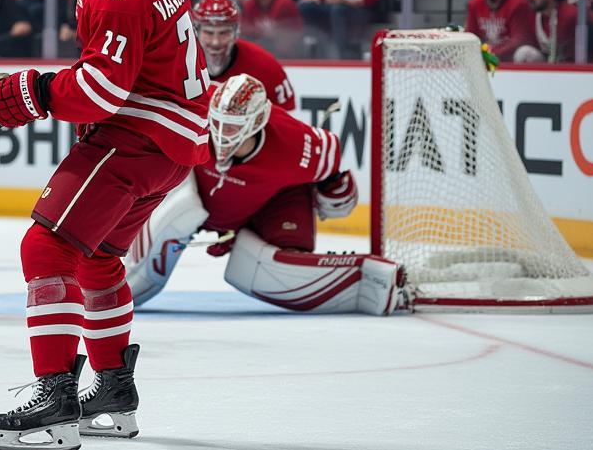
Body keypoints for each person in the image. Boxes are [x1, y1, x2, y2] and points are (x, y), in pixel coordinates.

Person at [0, 0, 210, 450]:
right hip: (173, 146)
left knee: (45, 250)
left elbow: (102, 90)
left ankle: (54, 404)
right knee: (101, 257)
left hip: (135, 137)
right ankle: (111, 389)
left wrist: (29, 91)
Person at [123, 75, 405, 314]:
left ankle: (366, 279)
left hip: (271, 207)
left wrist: (336, 194)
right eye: (216, 123)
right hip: (200, 196)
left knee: (262, 272)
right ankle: (107, 287)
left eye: (231, 127)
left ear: (256, 122)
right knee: (179, 209)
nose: (220, 135)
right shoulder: (195, 100)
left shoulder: (298, 145)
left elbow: (333, 175)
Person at [193, 0, 295, 111]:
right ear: (197, 32)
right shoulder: (179, 62)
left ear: (236, 32)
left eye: (223, 33)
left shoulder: (265, 65)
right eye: (209, 33)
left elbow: (286, 117)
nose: (215, 42)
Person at [464, 0, 532, 61]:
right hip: (485, 56)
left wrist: (489, 54)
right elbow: (470, 36)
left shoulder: (519, 4)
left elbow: (518, 41)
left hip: (511, 58)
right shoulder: (474, 3)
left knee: (524, 52)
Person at [514, 0, 578, 64]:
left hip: (570, 69)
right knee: (523, 53)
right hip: (548, 65)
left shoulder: (570, 15)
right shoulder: (532, 14)